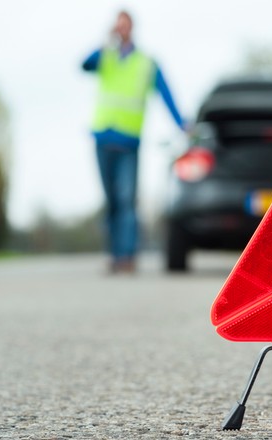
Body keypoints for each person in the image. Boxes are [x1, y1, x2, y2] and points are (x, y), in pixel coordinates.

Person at [82, 10, 184, 274]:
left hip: (128, 141)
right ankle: (115, 255)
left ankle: (127, 256)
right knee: (112, 201)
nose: (121, 30)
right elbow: (84, 65)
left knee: (127, 199)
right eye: (118, 26)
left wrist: (182, 124)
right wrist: (106, 42)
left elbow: (166, 94)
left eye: (125, 26)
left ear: (133, 28)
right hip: (103, 137)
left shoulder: (146, 62)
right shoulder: (106, 57)